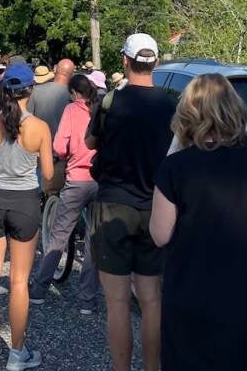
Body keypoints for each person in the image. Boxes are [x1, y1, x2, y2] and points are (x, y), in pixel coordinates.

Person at [149, 74, 247, 371]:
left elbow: (160, 235)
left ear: (189, 113)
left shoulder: (176, 166)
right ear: (235, 108)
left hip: (193, 299)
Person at [84, 33, 175, 371]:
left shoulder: (110, 102)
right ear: (157, 63)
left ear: (125, 60)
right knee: (152, 300)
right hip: (157, 208)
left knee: (117, 303)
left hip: (113, 206)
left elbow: (89, 142)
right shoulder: (171, 104)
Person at [0, 62, 53, 370]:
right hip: (25, 203)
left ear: (5, 91)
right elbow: (48, 174)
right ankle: (17, 354)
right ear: (31, 90)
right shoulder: (40, 127)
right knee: (18, 281)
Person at [29, 74, 101, 313]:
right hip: (102, 181)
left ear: (73, 93)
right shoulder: (100, 109)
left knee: (59, 235)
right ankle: (87, 302)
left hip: (77, 179)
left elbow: (60, 146)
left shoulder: (72, 110)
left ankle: (39, 290)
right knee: (93, 241)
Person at [27, 58, 74, 138]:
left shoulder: (35, 91)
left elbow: (27, 118)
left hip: (39, 141)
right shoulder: (74, 96)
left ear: (55, 70)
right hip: (63, 144)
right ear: (72, 74)